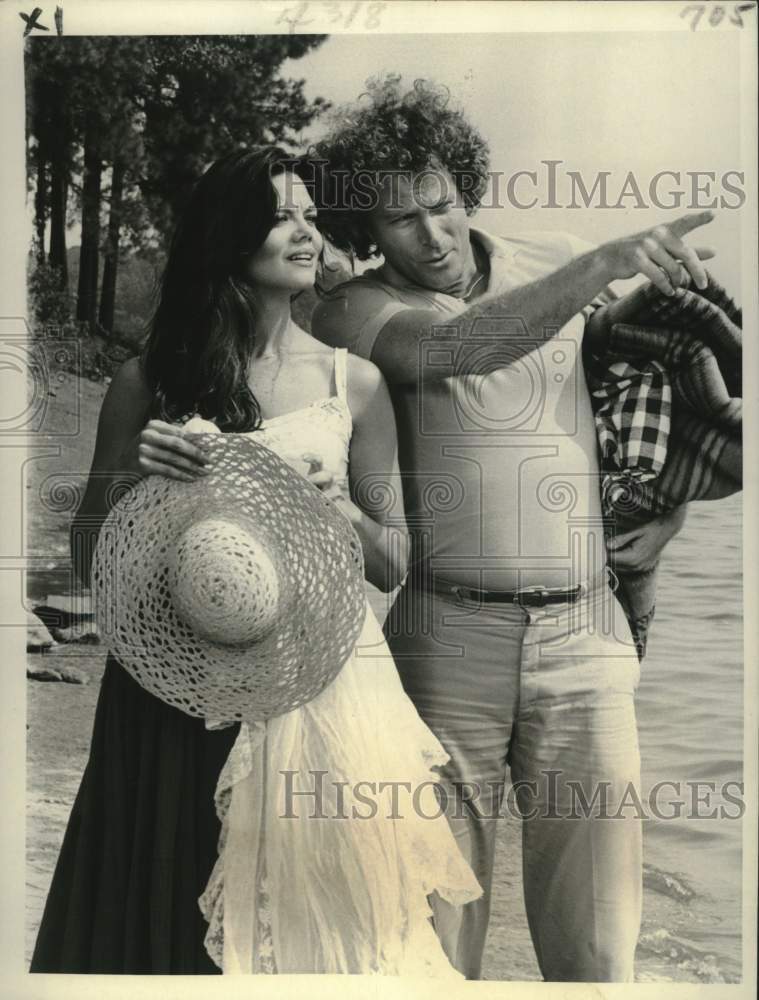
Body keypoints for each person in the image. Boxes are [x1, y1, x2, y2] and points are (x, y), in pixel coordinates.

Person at [30, 146, 481, 975]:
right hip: (172, 688)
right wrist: (134, 478)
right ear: (229, 237)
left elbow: (393, 563)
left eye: (311, 215)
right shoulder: (149, 381)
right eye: (283, 216)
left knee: (329, 927)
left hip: (319, 684)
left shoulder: (358, 384)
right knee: (166, 909)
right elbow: (91, 555)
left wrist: (338, 507)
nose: (308, 233)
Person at [310, 76, 714, 982]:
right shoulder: (348, 310)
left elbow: (672, 387)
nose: (431, 235)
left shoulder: (558, 259)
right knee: (432, 944)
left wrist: (668, 522)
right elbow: (448, 350)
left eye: (441, 205)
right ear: (363, 234)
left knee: (599, 948)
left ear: (465, 187)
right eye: (397, 220)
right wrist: (601, 264)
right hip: (441, 639)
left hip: (585, 632)